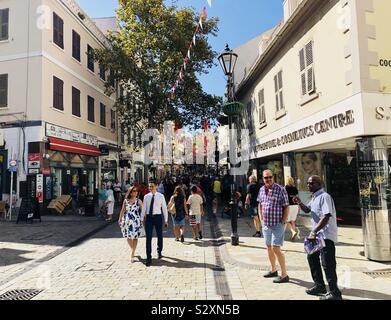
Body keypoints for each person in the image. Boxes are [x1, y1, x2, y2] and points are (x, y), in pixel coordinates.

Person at [293, 176, 342, 300]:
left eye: (311, 183)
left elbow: (326, 216)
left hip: (326, 235)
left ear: (319, 184)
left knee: (328, 264)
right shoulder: (315, 197)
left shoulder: (325, 197)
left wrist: (314, 231)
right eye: (308, 183)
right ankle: (319, 286)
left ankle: (335, 293)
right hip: (317, 236)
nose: (308, 185)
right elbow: (308, 209)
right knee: (312, 258)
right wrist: (299, 202)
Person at [258, 170, 290, 284]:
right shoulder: (261, 189)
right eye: (266, 178)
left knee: (276, 248)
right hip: (266, 224)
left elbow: (286, 206)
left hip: (278, 224)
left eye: (270, 177)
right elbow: (260, 204)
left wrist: (284, 220)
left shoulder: (280, 189)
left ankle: (284, 274)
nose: (268, 179)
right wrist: (261, 219)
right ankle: (273, 270)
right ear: (263, 178)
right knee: (269, 247)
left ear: (273, 177)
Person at [141, 180, 169, 267]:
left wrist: (166, 220)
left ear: (156, 186)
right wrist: (142, 219)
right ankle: (148, 257)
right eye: (149, 186)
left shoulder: (161, 196)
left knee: (159, 235)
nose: (150, 188)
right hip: (149, 218)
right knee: (148, 238)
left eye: (152, 186)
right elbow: (144, 208)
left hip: (158, 217)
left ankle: (159, 250)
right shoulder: (146, 196)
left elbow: (164, 208)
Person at [118, 186, 143, 263]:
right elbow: (122, 211)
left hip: (136, 221)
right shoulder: (126, 201)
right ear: (130, 192)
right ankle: (133, 249)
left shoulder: (138, 201)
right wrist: (120, 219)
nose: (136, 192)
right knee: (128, 237)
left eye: (136, 191)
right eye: (134, 191)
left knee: (135, 237)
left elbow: (143, 211)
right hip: (127, 221)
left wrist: (142, 219)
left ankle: (132, 253)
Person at [285, 176, 300, 241]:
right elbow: (297, 197)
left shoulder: (285, 188)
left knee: (286, 221)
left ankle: (293, 232)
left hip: (289, 206)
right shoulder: (295, 188)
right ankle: (293, 236)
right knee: (293, 221)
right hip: (295, 206)